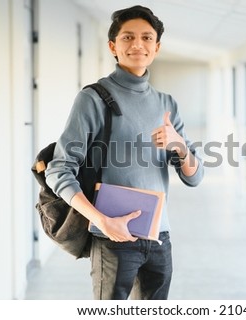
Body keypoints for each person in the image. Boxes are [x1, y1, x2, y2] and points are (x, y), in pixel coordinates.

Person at [45, 5, 204, 300]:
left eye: (146, 38)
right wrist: (102, 221)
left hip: (159, 236)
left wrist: (179, 145)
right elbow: (59, 169)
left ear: (156, 47)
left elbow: (195, 177)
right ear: (113, 47)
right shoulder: (92, 98)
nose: (137, 44)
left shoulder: (167, 103)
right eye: (127, 37)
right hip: (112, 238)